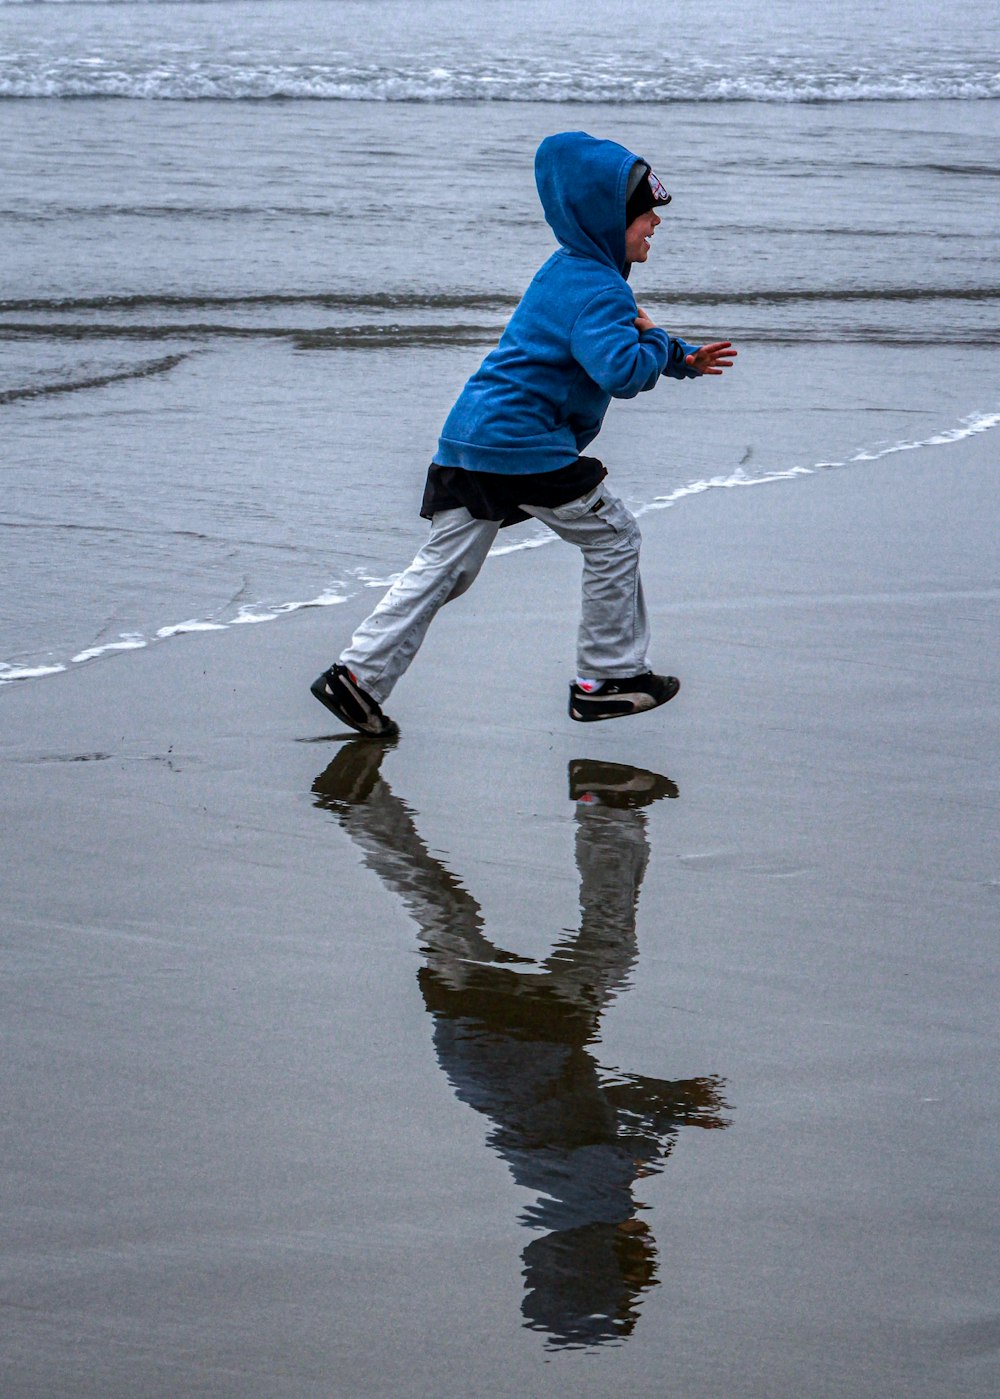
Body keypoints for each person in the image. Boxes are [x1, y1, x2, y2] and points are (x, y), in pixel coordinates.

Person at [311, 130, 735, 737]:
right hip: (524, 443)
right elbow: (620, 367)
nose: (653, 227)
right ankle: (608, 679)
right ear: (604, 220)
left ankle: (356, 677)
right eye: (645, 215)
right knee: (614, 537)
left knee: (444, 569)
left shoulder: (568, 272)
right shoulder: (600, 289)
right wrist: (656, 340)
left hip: (473, 436)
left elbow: (618, 339)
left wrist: (679, 355)